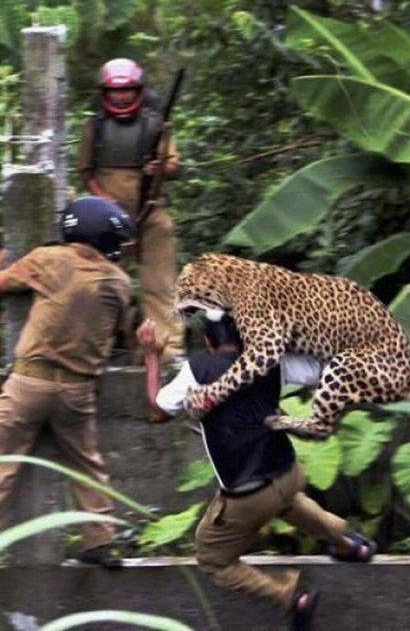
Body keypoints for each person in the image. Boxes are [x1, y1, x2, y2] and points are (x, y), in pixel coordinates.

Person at [137, 314, 377, 630]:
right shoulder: (271, 359)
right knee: (287, 500)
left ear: (209, 342)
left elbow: (157, 411)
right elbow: (323, 369)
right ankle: (349, 544)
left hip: (248, 495)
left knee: (212, 558)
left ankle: (292, 598)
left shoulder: (198, 371)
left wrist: (151, 356)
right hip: (288, 473)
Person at [0, 196, 134, 567]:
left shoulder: (49, 259)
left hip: (29, 383)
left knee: (3, 463)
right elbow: (119, 332)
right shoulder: (120, 283)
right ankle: (100, 540)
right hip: (78, 392)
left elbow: (5, 282)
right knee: (86, 464)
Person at [77, 57, 184, 362]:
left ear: (138, 91)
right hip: (107, 222)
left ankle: (168, 352)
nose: (121, 97)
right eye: (114, 92)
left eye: (126, 91)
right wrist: (102, 198)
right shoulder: (94, 127)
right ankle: (103, 348)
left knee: (160, 286)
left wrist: (159, 167)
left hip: (151, 213)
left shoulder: (156, 124)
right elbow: (86, 171)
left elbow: (175, 165)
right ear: (105, 93)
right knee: (102, 285)